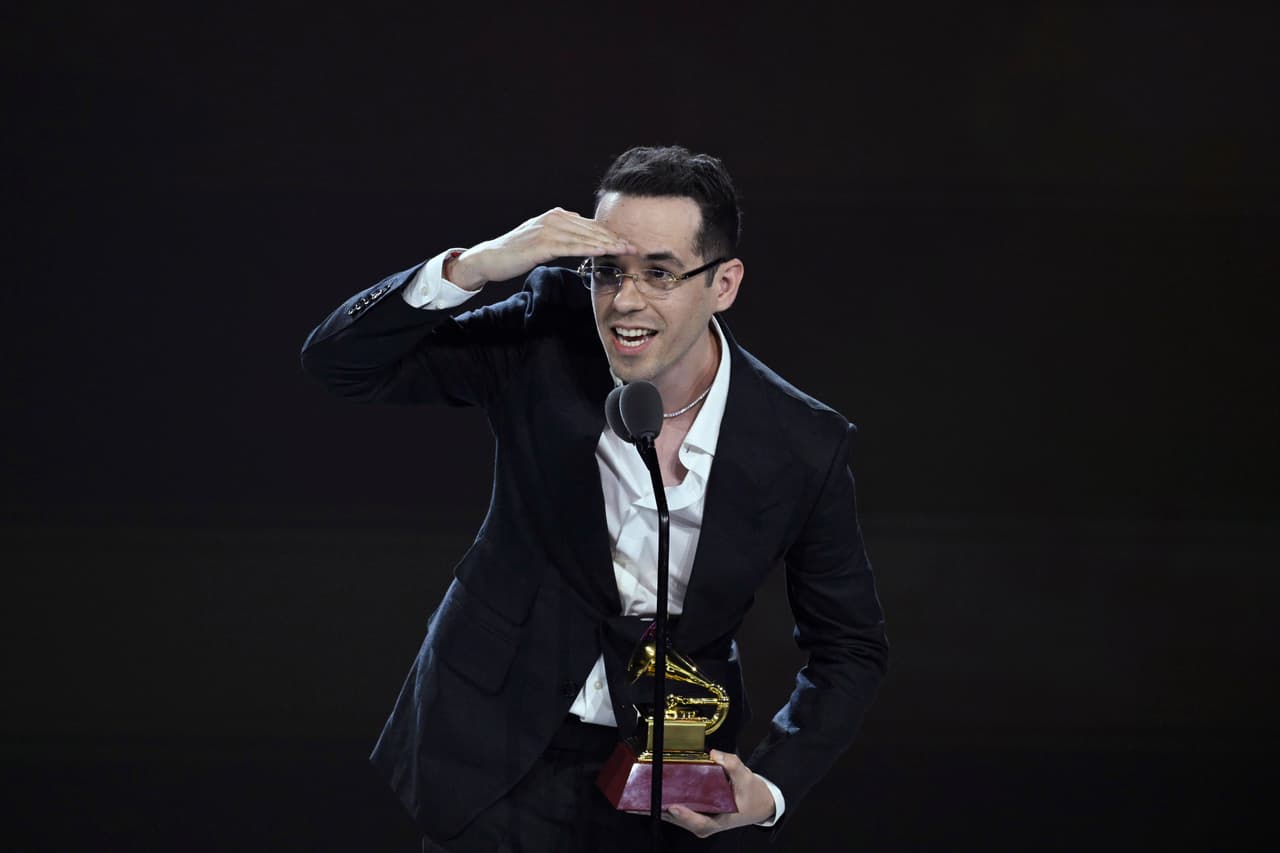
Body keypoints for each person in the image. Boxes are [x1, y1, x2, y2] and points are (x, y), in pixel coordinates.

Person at [300, 145, 888, 852]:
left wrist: (772, 786)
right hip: (493, 752)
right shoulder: (545, 332)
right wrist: (475, 266)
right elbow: (340, 363)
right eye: (608, 271)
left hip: (669, 784)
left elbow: (849, 647)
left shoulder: (803, 443)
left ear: (724, 283)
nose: (626, 300)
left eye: (660, 273)